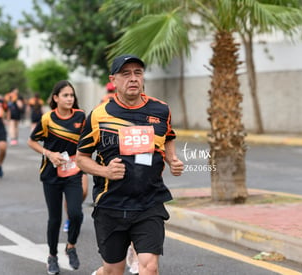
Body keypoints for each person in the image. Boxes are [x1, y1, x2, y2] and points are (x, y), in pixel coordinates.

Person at [76, 54, 184, 275]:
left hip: (149, 201)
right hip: (111, 204)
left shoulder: (161, 110)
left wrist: (172, 158)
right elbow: (81, 158)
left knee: (149, 266)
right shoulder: (99, 115)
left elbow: (169, 135)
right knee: (113, 271)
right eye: (126, 74)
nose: (133, 78)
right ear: (113, 80)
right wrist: (105, 171)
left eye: (138, 73)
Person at [27, 80, 86, 275]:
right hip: (51, 174)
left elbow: (88, 141)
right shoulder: (47, 119)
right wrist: (49, 153)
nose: (69, 99)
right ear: (56, 98)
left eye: (71, 95)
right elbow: (31, 141)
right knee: (55, 219)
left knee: (76, 213)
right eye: (65, 95)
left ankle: (71, 246)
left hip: (73, 172)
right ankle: (52, 256)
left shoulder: (80, 117)